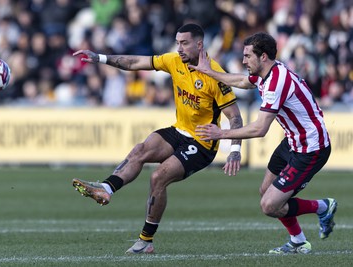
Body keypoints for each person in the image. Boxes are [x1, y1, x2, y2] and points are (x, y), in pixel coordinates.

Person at [71, 23, 243, 254]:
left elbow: (235, 117)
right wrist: (100, 57)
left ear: (199, 44)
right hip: (179, 130)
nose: (179, 48)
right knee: (139, 150)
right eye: (177, 42)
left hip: (202, 143)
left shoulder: (215, 74)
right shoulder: (173, 61)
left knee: (158, 177)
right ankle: (106, 188)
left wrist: (235, 150)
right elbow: (134, 63)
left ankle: (145, 241)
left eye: (184, 43)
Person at [189, 32, 337, 254]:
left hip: (311, 148)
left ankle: (323, 207)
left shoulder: (277, 82)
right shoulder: (267, 73)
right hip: (293, 141)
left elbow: (260, 129)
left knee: (269, 205)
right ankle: (298, 241)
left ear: (264, 57)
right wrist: (209, 72)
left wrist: (222, 134)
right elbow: (241, 80)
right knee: (265, 190)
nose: (243, 60)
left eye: (248, 56)